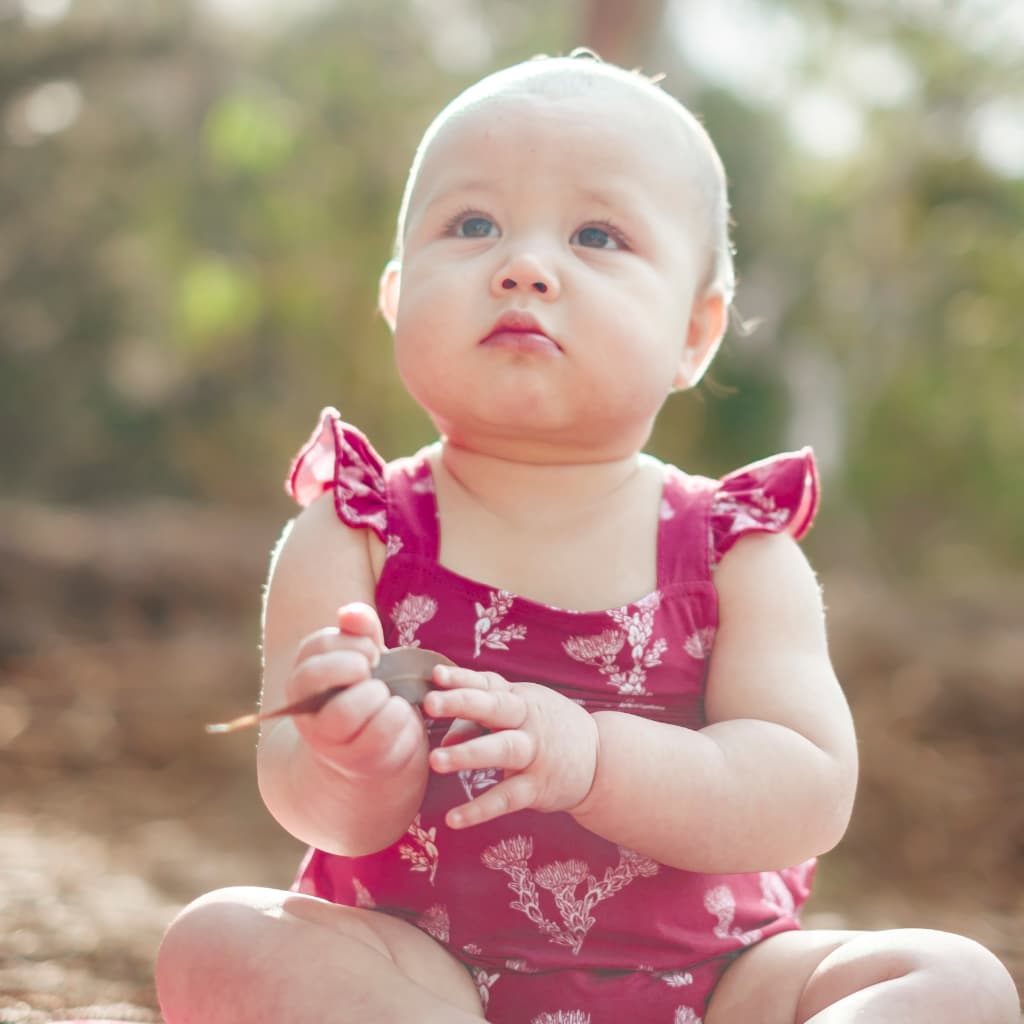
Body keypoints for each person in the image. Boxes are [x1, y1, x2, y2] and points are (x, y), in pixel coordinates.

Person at [155, 50, 1020, 1024]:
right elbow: (310, 806)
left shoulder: (737, 552)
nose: (522, 265)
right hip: (423, 981)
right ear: (397, 298)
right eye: (472, 224)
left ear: (695, 334)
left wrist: (595, 758)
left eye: (596, 234)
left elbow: (805, 790)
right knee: (218, 941)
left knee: (953, 981)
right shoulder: (355, 532)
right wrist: (353, 761)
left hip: (719, 984)